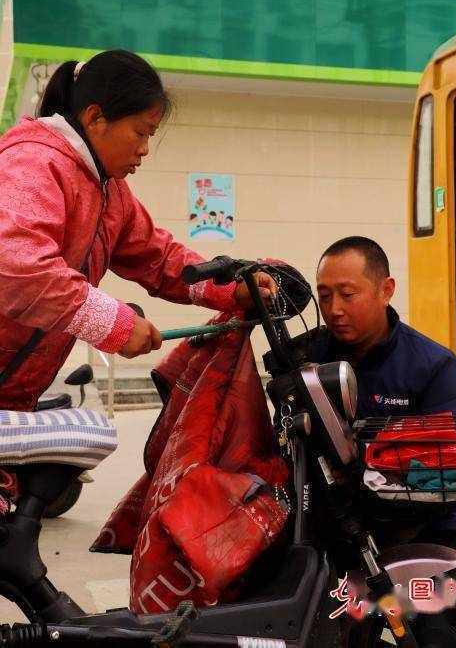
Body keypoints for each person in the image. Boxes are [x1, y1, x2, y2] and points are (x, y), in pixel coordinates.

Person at [0, 50, 276, 412]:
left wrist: (231, 288)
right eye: (141, 133)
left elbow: (158, 258)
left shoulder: (110, 192)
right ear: (95, 118)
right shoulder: (33, 161)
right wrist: (113, 323)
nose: (144, 150)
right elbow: (18, 268)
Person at [314, 236, 456, 589]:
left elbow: (448, 468)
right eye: (324, 296)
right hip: (334, 537)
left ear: (386, 290)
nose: (334, 308)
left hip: (422, 535)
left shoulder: (433, 365)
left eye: (347, 294)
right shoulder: (310, 359)